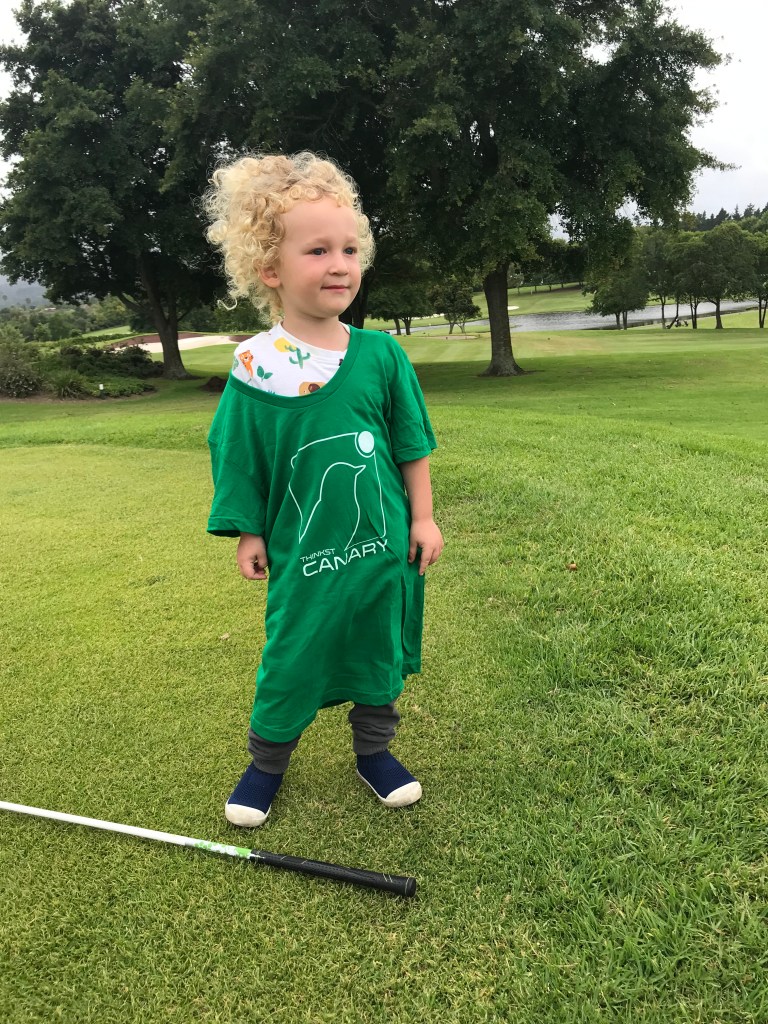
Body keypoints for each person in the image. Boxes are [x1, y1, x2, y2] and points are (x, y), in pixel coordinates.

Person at [202, 152, 444, 827]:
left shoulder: (381, 355)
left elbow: (411, 443)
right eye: (317, 251)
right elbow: (239, 453)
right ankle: (265, 766)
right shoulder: (255, 365)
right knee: (292, 655)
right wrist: (249, 530)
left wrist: (423, 518)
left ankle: (375, 754)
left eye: (348, 249)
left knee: (376, 650)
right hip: (303, 554)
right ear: (270, 268)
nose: (339, 264)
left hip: (381, 547)